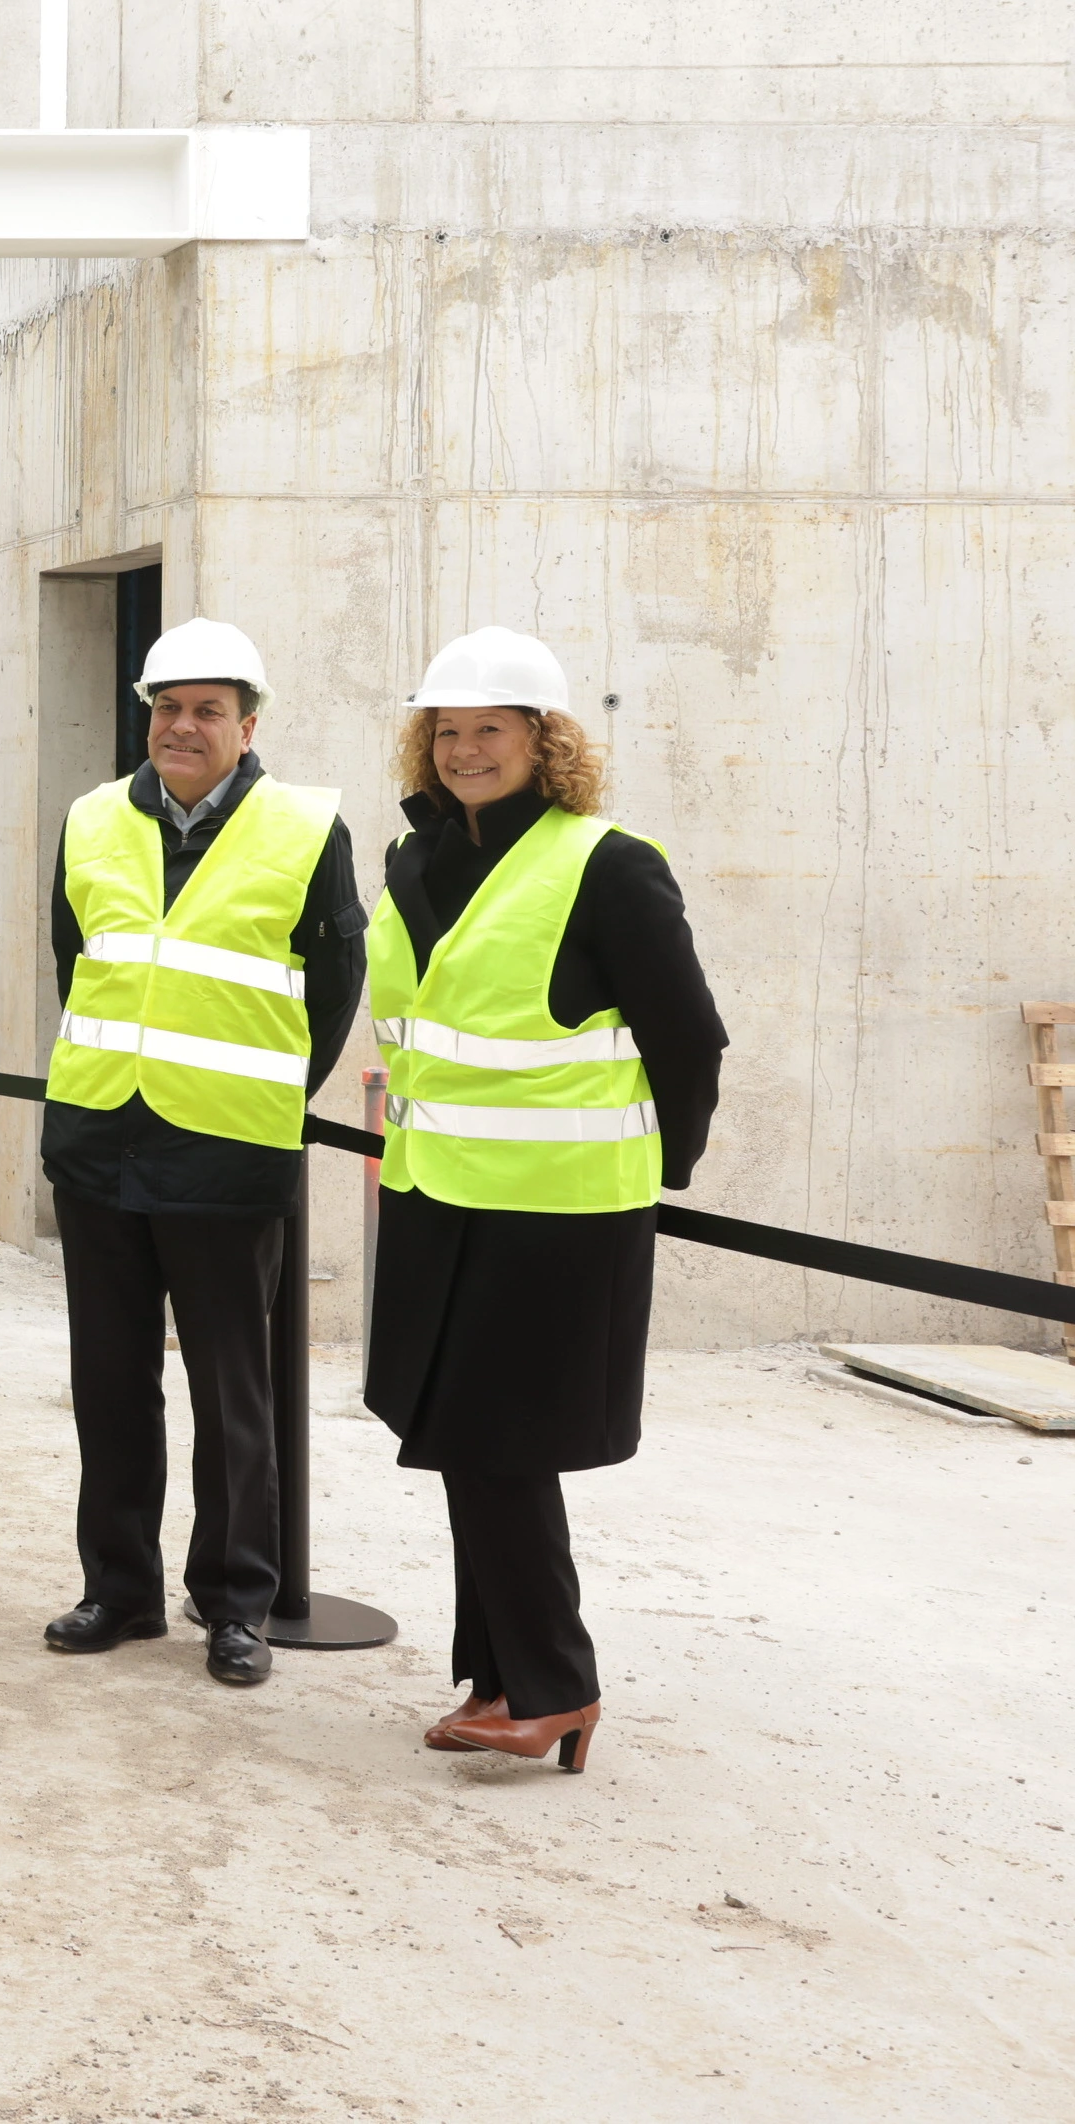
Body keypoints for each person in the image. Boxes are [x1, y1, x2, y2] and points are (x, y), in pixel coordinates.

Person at [364, 627, 722, 1775]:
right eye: (447, 731)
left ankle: (555, 1686)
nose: (465, 750)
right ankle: (497, 1673)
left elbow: (687, 1035)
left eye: (490, 731)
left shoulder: (606, 861)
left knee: (505, 1443)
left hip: (559, 1211)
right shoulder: (412, 860)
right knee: (460, 1440)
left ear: (543, 741)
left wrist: (662, 1169)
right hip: (437, 1193)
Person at [38, 618, 366, 1689]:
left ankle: (234, 1601)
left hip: (227, 1149)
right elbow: (70, 958)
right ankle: (119, 1587)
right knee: (110, 1379)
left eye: (206, 709)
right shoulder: (90, 817)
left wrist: (262, 1087)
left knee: (233, 1390)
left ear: (247, 722)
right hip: (100, 1141)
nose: (182, 725)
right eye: (166, 707)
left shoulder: (307, 827)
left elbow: (333, 984)